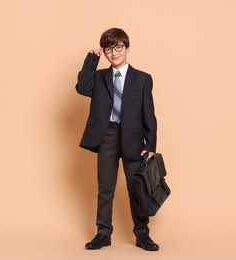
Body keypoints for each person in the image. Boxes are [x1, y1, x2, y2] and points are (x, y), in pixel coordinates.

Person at [75, 28, 159, 251]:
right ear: (104, 52)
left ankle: (142, 234)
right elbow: (82, 87)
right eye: (109, 49)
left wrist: (150, 145)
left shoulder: (142, 79)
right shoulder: (100, 77)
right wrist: (91, 60)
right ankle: (103, 233)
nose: (114, 53)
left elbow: (149, 113)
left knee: (136, 187)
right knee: (105, 188)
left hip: (133, 137)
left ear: (127, 48)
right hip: (107, 135)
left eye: (118, 47)